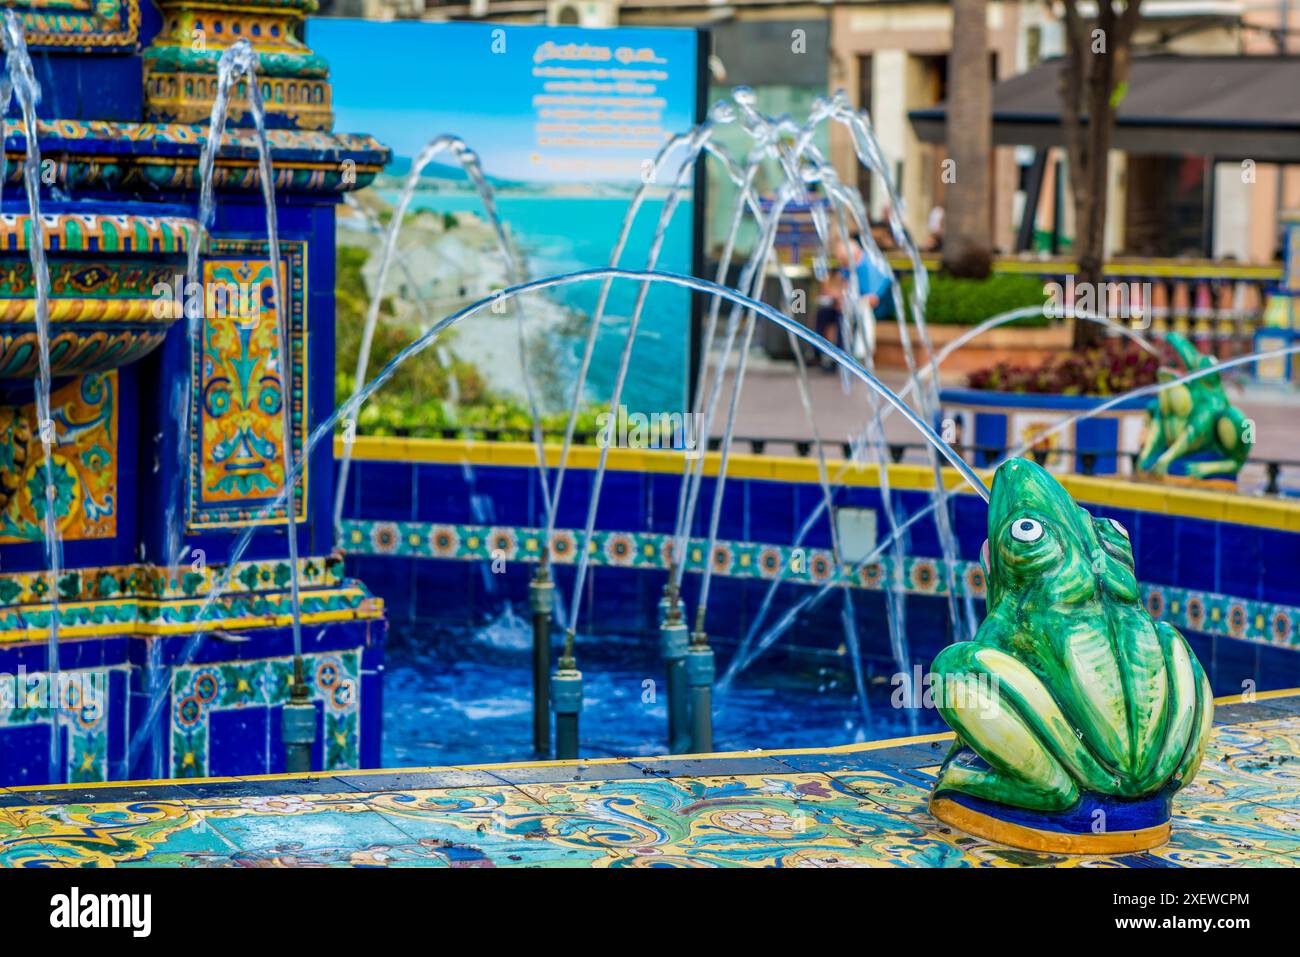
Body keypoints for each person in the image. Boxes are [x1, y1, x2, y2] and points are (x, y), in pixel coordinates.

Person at [815, 232, 895, 370]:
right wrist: (833, 291)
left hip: (879, 307)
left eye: (844, 260)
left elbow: (872, 300)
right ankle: (818, 353)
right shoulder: (848, 265)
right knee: (823, 313)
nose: (842, 264)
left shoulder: (869, 266)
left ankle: (841, 357)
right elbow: (838, 286)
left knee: (843, 316)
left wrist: (845, 302)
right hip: (852, 304)